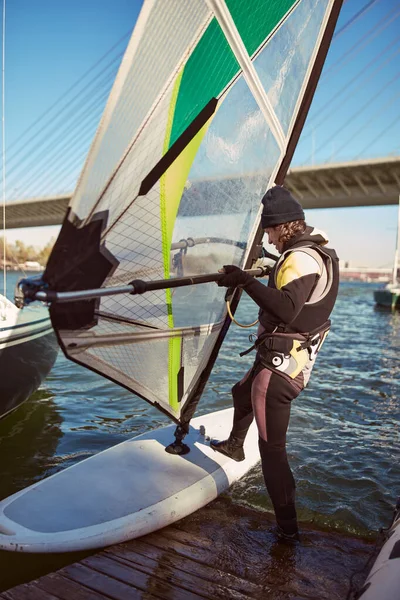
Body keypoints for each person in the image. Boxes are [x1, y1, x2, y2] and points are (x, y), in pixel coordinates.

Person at [211, 185, 339, 541]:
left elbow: (286, 307)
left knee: (273, 452)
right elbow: (294, 287)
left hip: (280, 373)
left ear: (282, 226)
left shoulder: (300, 259)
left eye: (269, 230)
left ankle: (287, 530)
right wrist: (265, 263)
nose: (268, 235)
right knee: (241, 390)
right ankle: (235, 445)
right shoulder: (314, 251)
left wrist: (245, 279)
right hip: (285, 359)